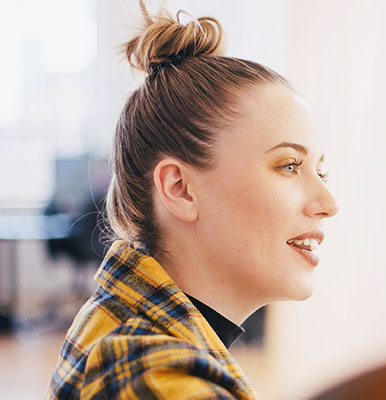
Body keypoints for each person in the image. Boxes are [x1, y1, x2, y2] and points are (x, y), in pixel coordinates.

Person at [46, 1, 338, 399]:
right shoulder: (149, 373)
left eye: (321, 172)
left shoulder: (124, 327)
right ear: (180, 189)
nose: (328, 201)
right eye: (289, 165)